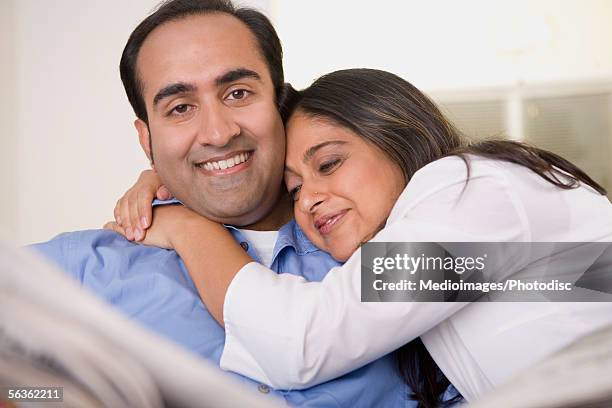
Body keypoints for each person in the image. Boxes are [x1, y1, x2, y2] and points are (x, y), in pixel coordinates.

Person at [110, 68, 612, 405]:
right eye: (294, 189)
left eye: (329, 163)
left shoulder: (474, 186)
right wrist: (179, 179)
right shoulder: (441, 278)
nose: (307, 201)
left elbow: (305, 340)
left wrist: (187, 225)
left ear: (395, 133)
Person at [30, 1, 416, 406]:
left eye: (237, 93)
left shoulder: (374, 239)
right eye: (180, 108)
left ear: (279, 105)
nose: (217, 133)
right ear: (148, 140)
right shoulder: (87, 270)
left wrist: (187, 227)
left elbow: (483, 280)